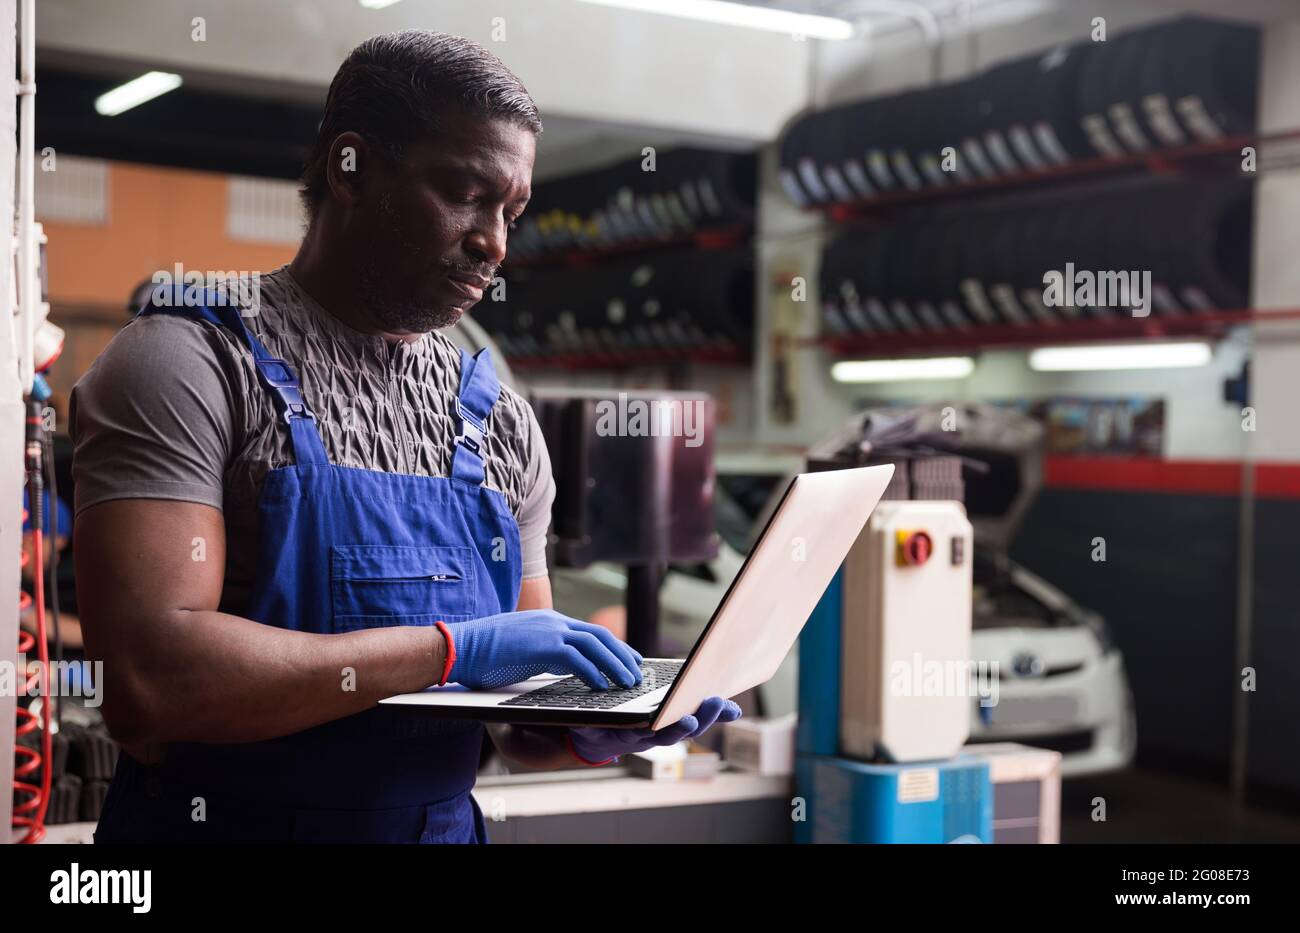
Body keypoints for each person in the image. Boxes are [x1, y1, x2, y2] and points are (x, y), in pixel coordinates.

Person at [71, 30, 738, 844]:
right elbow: (148, 678)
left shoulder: (499, 421)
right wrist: (450, 650)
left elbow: (518, 718)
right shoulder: (185, 361)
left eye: (512, 212)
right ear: (351, 169)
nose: (494, 241)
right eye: (464, 192)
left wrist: (592, 729)